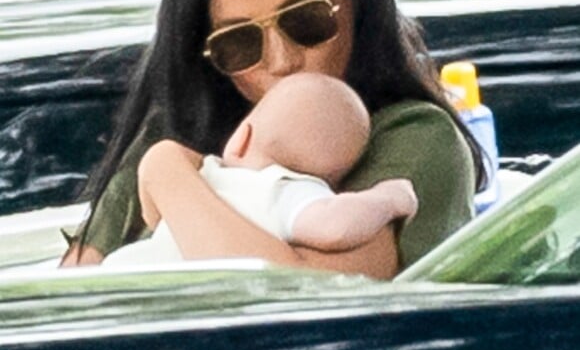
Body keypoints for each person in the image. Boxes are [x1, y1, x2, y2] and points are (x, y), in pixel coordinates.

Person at [61, 0, 485, 278]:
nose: (282, 61)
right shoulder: (176, 131)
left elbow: (304, 299)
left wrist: (169, 175)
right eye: (240, 43)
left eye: (306, 20)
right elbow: (72, 295)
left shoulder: (413, 137)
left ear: (355, 0)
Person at [102, 73, 418, 266]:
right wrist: (388, 199)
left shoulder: (206, 174)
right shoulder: (283, 191)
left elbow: (153, 215)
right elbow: (334, 226)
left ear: (241, 137)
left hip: (130, 272)